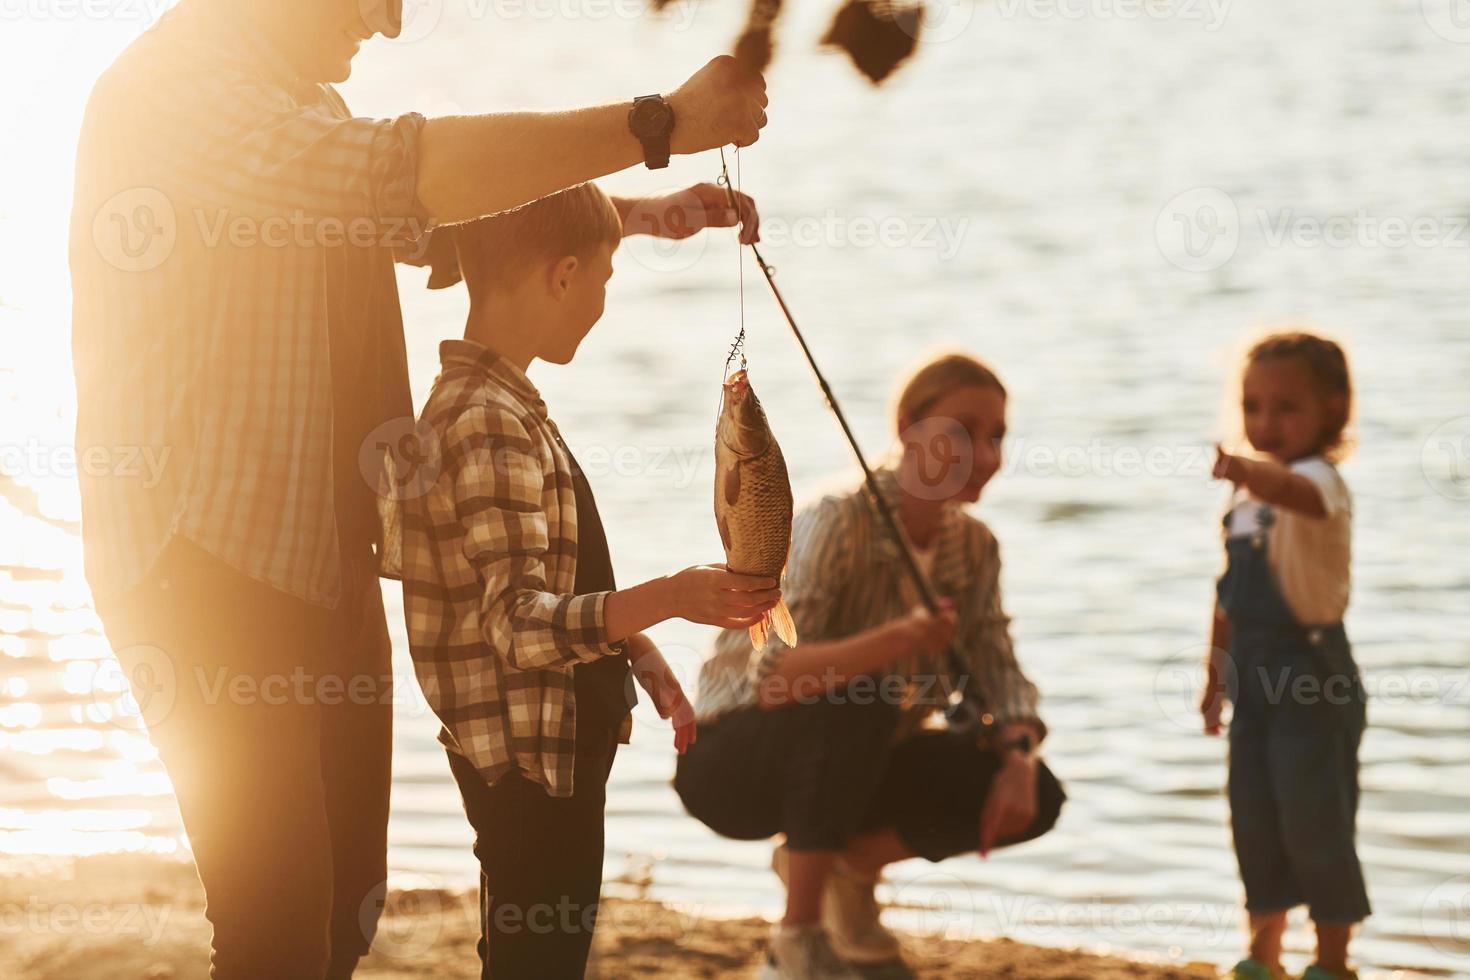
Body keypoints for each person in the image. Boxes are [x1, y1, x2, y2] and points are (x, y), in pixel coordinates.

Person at [68, 0, 767, 975]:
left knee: (348, 906)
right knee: (275, 921)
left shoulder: (289, 95)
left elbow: (442, 228)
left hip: (320, 554)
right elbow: (405, 171)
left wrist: (632, 216)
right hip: (206, 561)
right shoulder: (180, 92)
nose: (390, 27)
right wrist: (657, 124)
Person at [394, 181, 783, 978]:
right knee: (537, 962)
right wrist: (674, 596)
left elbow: (528, 578)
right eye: (604, 279)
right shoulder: (487, 419)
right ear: (563, 275)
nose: (603, 302)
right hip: (529, 764)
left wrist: (636, 650)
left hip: (545, 751)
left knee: (532, 956)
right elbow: (516, 623)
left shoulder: (500, 402)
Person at [674, 352, 1066, 980]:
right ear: (909, 426)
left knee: (1037, 792)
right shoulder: (836, 518)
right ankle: (796, 937)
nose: (986, 454)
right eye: (963, 430)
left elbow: (998, 669)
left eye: (996, 437)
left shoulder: (976, 546)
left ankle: (849, 870)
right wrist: (899, 639)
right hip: (731, 761)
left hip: (858, 759)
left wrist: (1017, 754)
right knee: (859, 699)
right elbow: (777, 681)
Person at [1201, 331, 1370, 980]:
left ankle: (1332, 961)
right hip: (1251, 669)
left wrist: (1247, 468)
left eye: (1286, 407)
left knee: (1315, 819)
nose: (1265, 423)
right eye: (1252, 406)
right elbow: (1227, 594)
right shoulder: (1244, 496)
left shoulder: (1319, 481)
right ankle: (1262, 953)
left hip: (1311, 675)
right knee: (1255, 816)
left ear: (1332, 409)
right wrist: (1215, 672)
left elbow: (1296, 497)